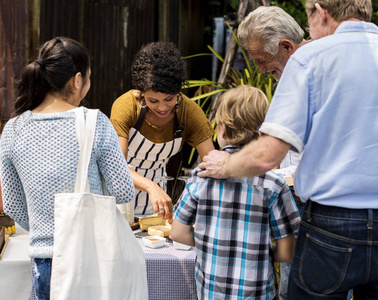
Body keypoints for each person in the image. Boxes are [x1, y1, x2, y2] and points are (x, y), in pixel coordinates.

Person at [198, 0, 378, 298]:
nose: (308, 29)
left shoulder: (308, 60)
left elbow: (268, 155)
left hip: (331, 223)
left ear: (320, 11)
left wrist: (223, 165)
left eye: (308, 17)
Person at [0, 37, 137, 300]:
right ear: (77, 80)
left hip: (44, 260)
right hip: (90, 257)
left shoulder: (13, 129)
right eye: (88, 77)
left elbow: (12, 205)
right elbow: (123, 190)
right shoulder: (95, 122)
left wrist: (45, 227)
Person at [170, 85, 300, 300]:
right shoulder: (274, 184)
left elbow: (177, 233)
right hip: (257, 294)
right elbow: (287, 252)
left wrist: (211, 245)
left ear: (221, 128)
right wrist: (259, 253)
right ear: (264, 131)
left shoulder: (201, 176)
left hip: (211, 293)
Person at [237, 7, 307, 299]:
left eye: (263, 61)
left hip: (314, 204)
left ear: (286, 46)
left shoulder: (310, 73)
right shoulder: (292, 75)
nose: (261, 70)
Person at [110, 42, 214, 221]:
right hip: (119, 201)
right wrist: (151, 187)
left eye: (169, 99)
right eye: (153, 100)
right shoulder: (125, 107)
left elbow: (212, 164)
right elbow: (117, 168)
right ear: (140, 92)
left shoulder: (189, 112)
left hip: (157, 205)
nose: (163, 107)